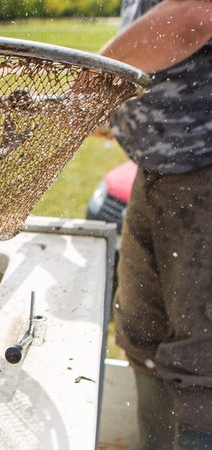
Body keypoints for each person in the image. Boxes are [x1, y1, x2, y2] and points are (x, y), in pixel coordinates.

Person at [100, 0, 212, 448]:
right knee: (141, 335)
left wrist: (89, 80)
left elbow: (193, 14)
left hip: (204, 170)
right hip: (158, 172)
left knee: (202, 363)